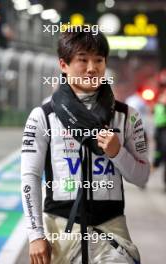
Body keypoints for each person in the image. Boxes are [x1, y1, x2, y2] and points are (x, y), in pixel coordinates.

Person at [21, 27, 150, 264]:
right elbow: (30, 177)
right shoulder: (42, 115)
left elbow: (142, 177)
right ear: (63, 65)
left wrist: (117, 153)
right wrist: (35, 235)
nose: (92, 68)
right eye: (82, 60)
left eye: (98, 60)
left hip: (111, 233)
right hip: (59, 232)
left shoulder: (126, 115)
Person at [153, 85, 166, 192]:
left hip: (162, 133)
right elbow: (160, 121)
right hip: (161, 132)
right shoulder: (159, 106)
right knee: (157, 159)